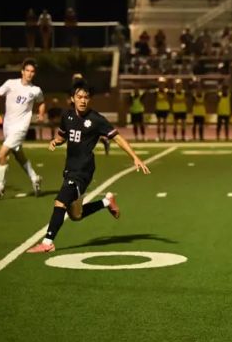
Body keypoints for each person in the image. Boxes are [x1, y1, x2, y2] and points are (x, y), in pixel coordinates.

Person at [27, 79, 150, 253]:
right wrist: (56, 141)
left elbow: (117, 138)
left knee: (60, 202)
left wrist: (135, 158)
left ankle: (47, 243)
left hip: (83, 171)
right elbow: (63, 136)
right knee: (76, 215)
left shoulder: (97, 120)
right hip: (70, 169)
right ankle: (107, 201)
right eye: (79, 97)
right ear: (72, 98)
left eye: (86, 97)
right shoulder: (67, 116)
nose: (83, 100)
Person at [0, 59, 46, 199]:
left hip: (20, 128)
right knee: (19, 156)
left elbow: (42, 102)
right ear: (22, 72)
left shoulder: (35, 90)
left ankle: (1, 186)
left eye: (32, 71)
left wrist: (41, 114)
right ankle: (35, 178)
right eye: (27, 71)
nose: (30, 74)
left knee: (1, 155)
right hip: (7, 127)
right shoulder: (10, 84)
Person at [154, 77, 170, 141]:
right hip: (158, 108)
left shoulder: (166, 91)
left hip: (165, 108)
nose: (161, 85)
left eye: (162, 83)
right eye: (160, 83)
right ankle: (159, 136)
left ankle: (164, 136)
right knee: (159, 123)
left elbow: (167, 98)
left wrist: (164, 92)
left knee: (164, 123)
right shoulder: (156, 91)